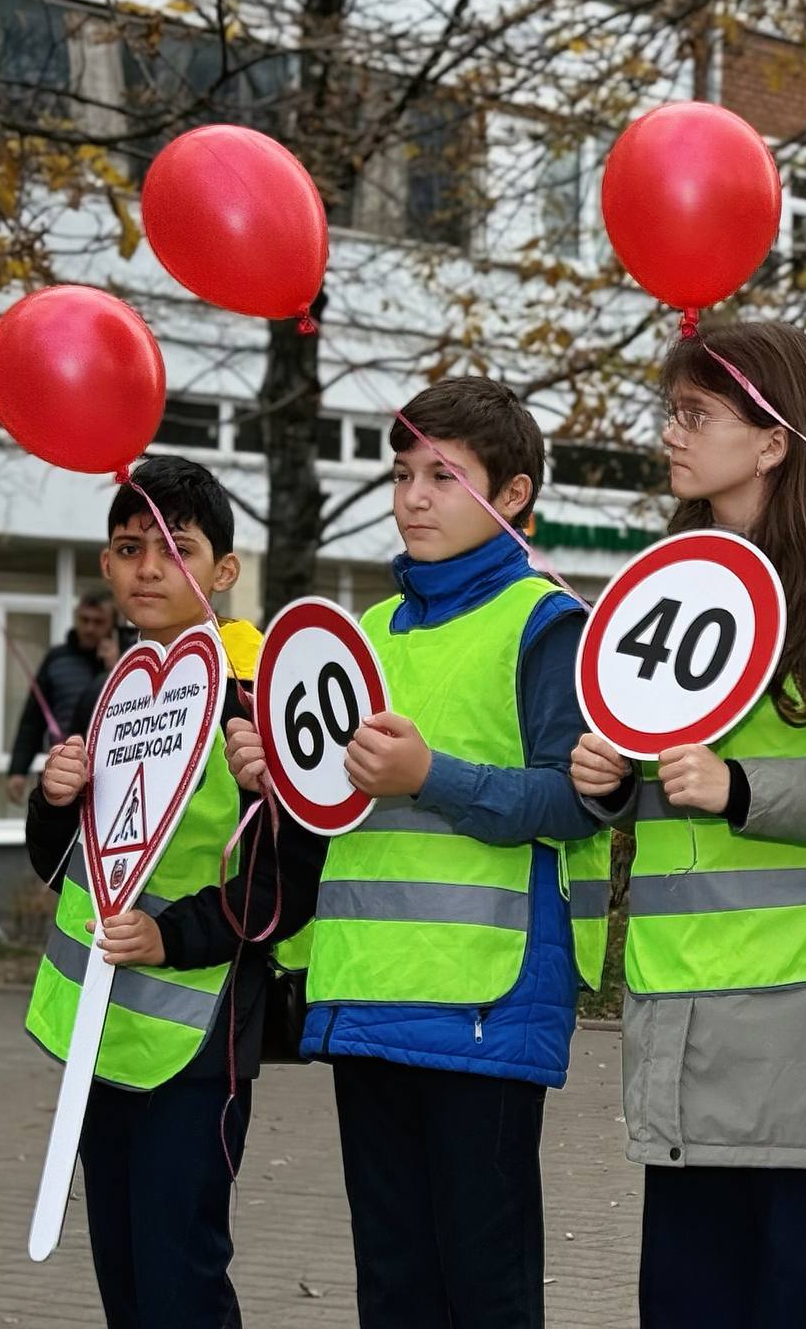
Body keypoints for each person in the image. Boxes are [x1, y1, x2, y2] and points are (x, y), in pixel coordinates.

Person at [226, 376, 613, 1329]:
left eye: (445, 475)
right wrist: (278, 779)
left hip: (485, 1004)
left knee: (485, 1289)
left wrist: (431, 774)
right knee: (394, 1287)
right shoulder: (361, 637)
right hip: (368, 1000)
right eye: (403, 473)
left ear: (512, 495)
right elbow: (336, 816)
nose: (413, 497)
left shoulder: (547, 623)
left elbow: (578, 801)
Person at [569, 321, 806, 1328]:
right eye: (669, 412)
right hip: (684, 1013)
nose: (670, 436)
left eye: (695, 415)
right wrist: (606, 780)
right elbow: (661, 784)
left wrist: (738, 787)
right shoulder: (669, 584)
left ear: (772, 441)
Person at [22, 455, 324, 1328]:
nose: (150, 567)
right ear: (107, 565)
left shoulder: (258, 701)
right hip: (95, 1030)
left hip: (201, 1043)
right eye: (129, 547)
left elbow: (290, 881)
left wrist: (173, 937)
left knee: (179, 1274)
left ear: (224, 573)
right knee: (121, 1271)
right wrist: (54, 802)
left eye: (177, 548)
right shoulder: (108, 698)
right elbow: (64, 866)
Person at [8, 588, 122, 803]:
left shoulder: (128, 662)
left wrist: (116, 668)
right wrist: (17, 770)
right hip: (64, 772)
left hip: (110, 776)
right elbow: (32, 719)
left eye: (98, 622)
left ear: (113, 625)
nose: (89, 628)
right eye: (84, 620)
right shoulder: (56, 659)